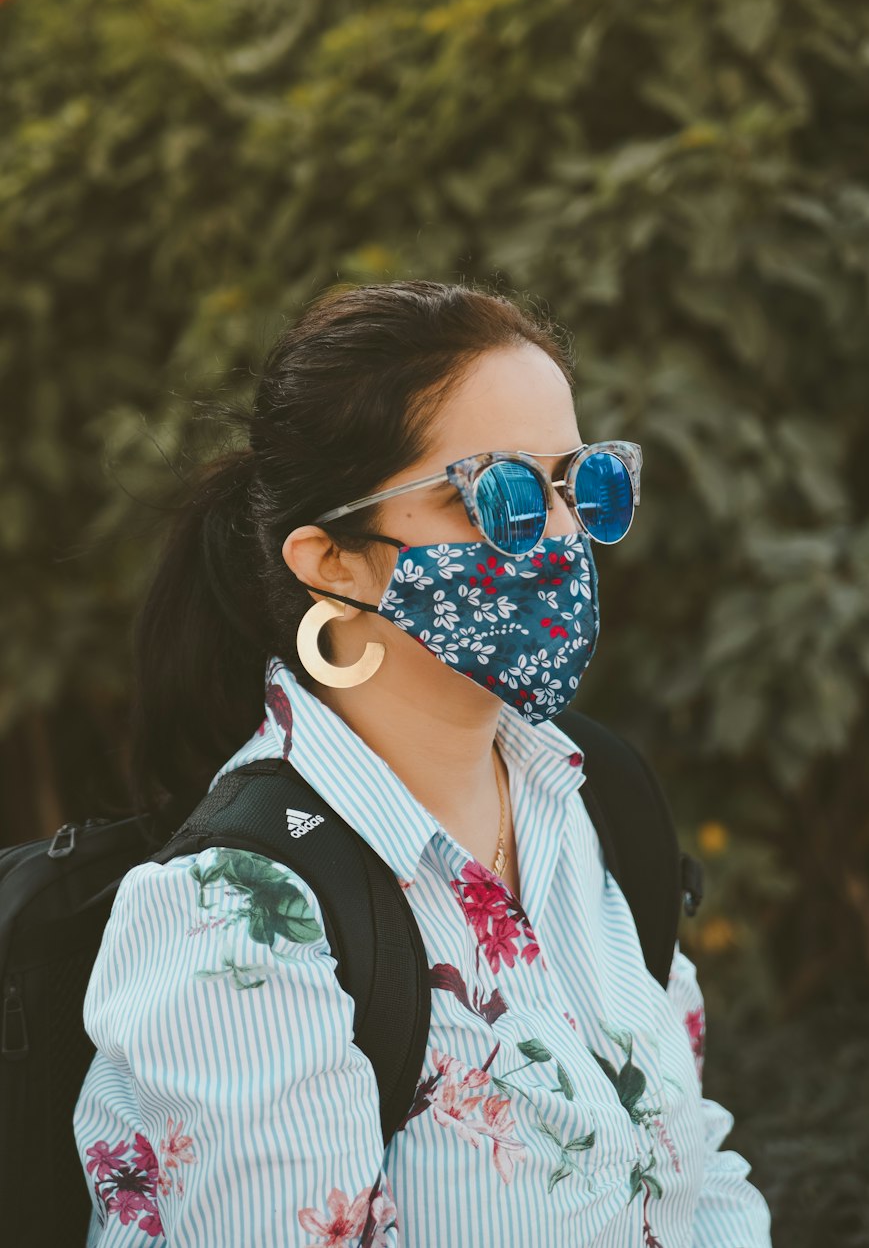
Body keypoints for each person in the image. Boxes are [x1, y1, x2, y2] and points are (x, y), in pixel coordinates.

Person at [73, 279, 771, 1247]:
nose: (559, 536)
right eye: (497, 495)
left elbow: (695, 1174)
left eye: (580, 484)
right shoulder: (240, 915)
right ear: (332, 561)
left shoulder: (592, 799)